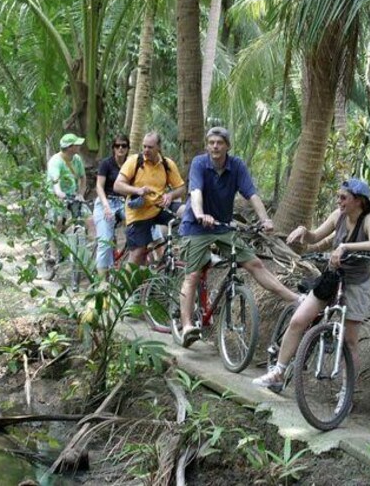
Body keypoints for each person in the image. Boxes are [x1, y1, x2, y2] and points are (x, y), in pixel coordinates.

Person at [252, 177, 370, 390]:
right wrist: (305, 232)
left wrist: (346, 247)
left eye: (343, 197)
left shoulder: (369, 219)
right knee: (298, 320)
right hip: (332, 278)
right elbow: (315, 237)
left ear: (358, 200)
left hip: (356, 283)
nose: (339, 201)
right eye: (338, 197)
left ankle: (346, 392)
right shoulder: (338, 216)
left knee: (350, 342)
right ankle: (278, 370)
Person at [178, 127, 303, 347]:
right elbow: (195, 192)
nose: (215, 146)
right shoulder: (199, 163)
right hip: (197, 227)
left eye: (219, 142)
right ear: (207, 145)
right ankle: (187, 325)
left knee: (254, 263)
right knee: (193, 275)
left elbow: (251, 194)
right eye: (211, 142)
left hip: (223, 227)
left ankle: (295, 299)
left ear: (227, 146)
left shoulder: (236, 166)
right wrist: (199, 214)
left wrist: (265, 220)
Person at [114, 131, 186, 265]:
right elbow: (117, 185)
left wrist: (170, 195)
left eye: (150, 147)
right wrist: (138, 190)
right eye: (144, 146)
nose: (146, 150)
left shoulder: (167, 164)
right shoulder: (134, 161)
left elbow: (181, 188)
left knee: (188, 212)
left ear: (159, 147)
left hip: (159, 208)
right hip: (138, 214)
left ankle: (195, 251)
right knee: (137, 254)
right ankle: (126, 285)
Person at [43, 133, 93, 278]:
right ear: (70, 148)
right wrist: (59, 193)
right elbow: (55, 182)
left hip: (74, 197)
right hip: (57, 198)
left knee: (90, 220)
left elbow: (82, 177)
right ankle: (53, 256)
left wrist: (81, 194)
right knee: (57, 223)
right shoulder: (55, 162)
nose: (79, 146)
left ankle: (91, 251)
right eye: (76, 144)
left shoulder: (76, 159)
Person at [93, 134, 130, 277]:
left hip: (124, 203)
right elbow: (99, 186)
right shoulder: (106, 164)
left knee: (142, 232)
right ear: (113, 148)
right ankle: (103, 285)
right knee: (105, 242)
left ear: (128, 148)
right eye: (117, 146)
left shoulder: (131, 164)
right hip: (106, 201)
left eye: (124, 146)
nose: (120, 148)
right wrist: (106, 206)